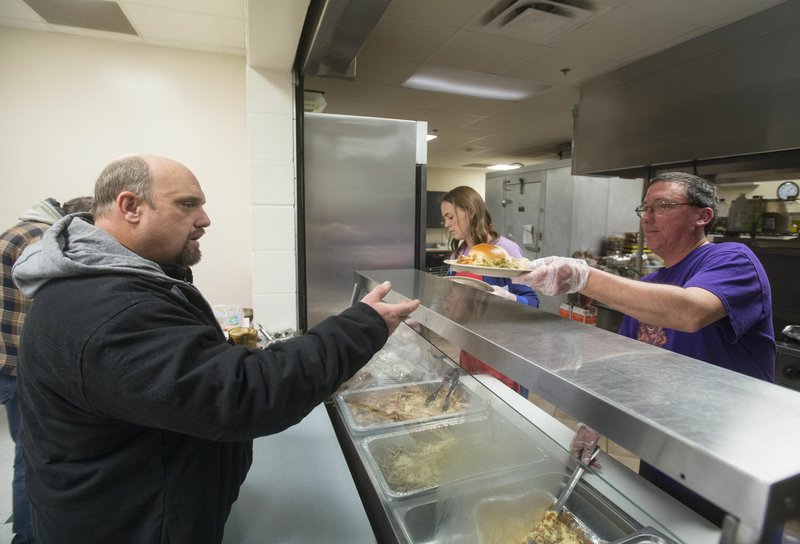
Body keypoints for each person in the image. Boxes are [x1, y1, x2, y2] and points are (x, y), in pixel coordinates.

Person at [12, 154, 419, 544]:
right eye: (187, 205)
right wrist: (363, 325)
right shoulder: (111, 310)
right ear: (131, 206)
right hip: (131, 526)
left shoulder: (109, 282)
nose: (204, 220)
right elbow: (242, 394)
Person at [514, 171, 777, 536]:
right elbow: (628, 366)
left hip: (731, 457)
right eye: (645, 207)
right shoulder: (650, 285)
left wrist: (585, 278)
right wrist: (595, 422)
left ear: (703, 216)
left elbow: (689, 312)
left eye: (663, 206)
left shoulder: (732, 259)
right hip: (666, 451)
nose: (647, 217)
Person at [1, 196, 93, 544]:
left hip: (6, 361)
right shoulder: (41, 239)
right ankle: (28, 537)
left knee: (30, 453)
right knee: (34, 459)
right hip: (19, 364)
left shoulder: (15, 231)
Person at [440, 186, 539, 394]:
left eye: (450, 217)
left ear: (470, 211)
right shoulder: (461, 254)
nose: (446, 224)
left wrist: (508, 297)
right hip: (471, 348)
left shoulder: (506, 250)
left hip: (503, 354)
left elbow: (533, 303)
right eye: (445, 218)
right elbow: (452, 296)